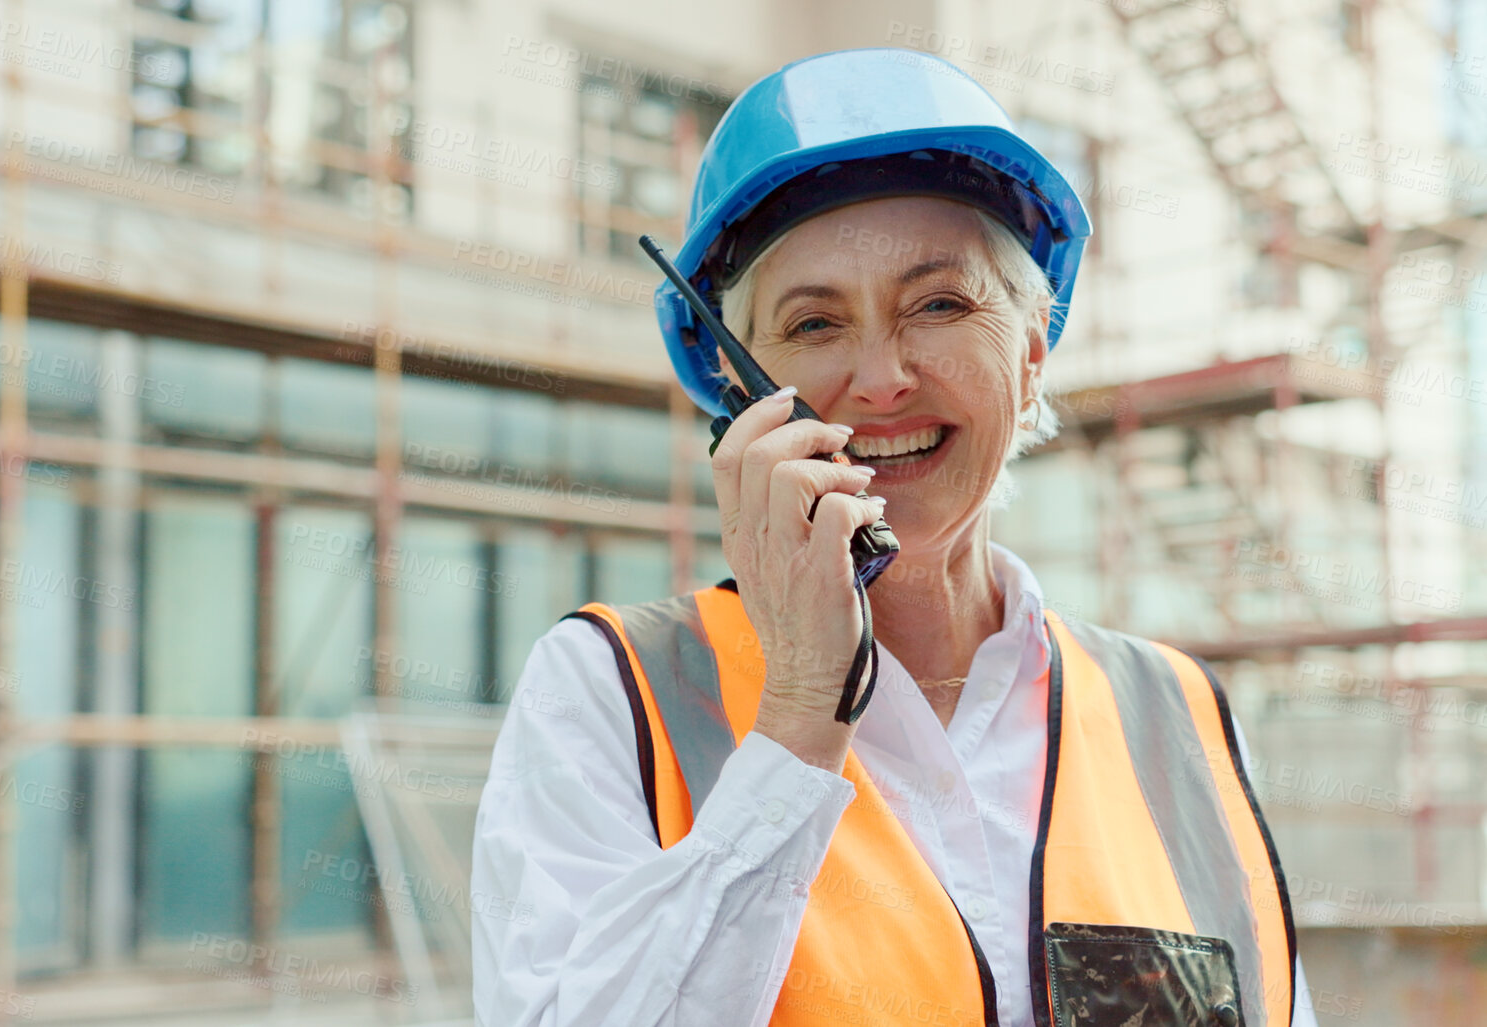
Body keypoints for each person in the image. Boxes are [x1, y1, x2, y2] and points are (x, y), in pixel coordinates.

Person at [472, 48, 1316, 1027]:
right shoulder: (608, 691)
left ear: (1033, 353)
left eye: (941, 304)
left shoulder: (1182, 716)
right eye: (814, 323)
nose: (881, 379)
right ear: (741, 391)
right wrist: (796, 717)